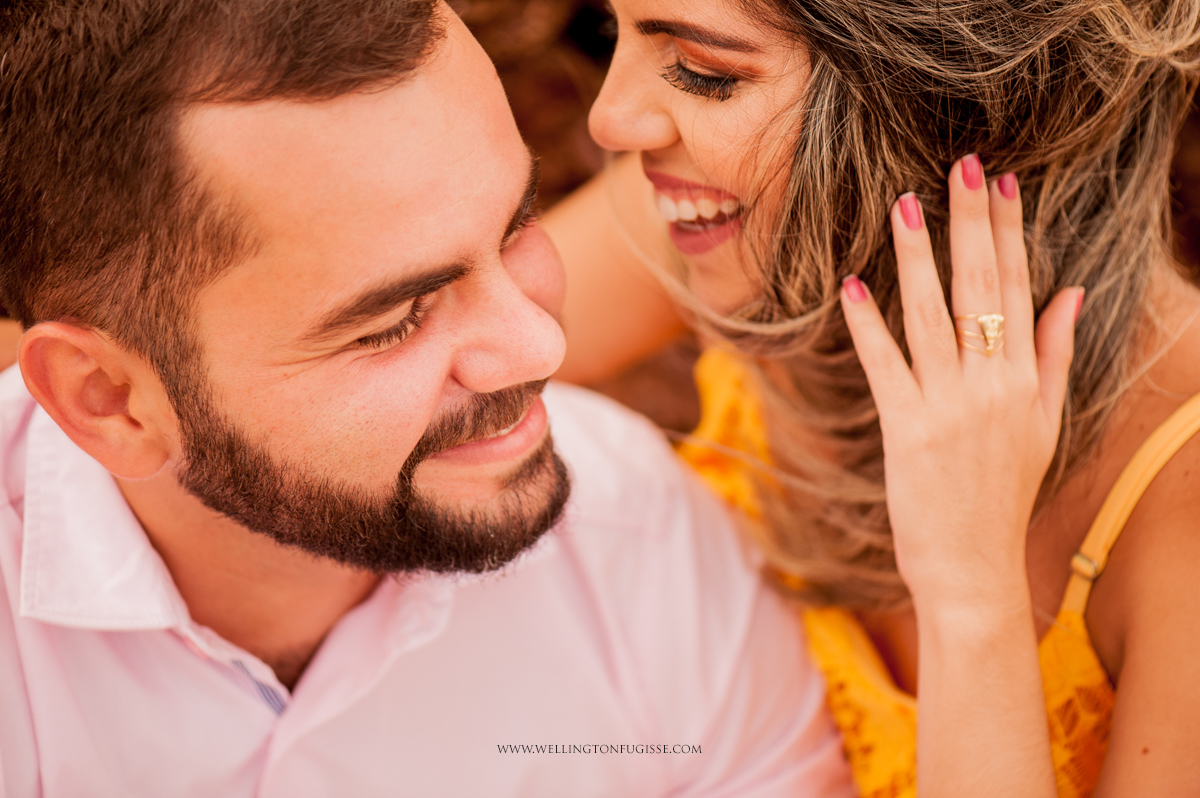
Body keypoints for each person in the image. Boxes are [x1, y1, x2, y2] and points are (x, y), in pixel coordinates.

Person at [0, 2, 858, 796]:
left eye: (518, 226)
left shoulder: (640, 539)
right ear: (109, 398)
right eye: (396, 320)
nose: (541, 347)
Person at [545, 0, 1200, 794]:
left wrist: (969, 591)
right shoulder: (725, 221)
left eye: (702, 71)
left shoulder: (1179, 498)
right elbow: (426, 365)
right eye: (618, 31)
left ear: (949, 99)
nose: (611, 120)